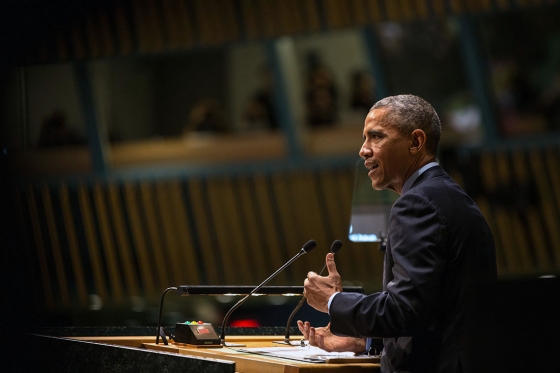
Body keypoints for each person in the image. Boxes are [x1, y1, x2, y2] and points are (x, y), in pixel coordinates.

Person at [299, 94, 497, 372]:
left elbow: (405, 310)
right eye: (364, 139)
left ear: (416, 142)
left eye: (375, 137)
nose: (363, 150)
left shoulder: (418, 203)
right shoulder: (447, 195)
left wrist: (334, 301)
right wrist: (364, 341)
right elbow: (432, 311)